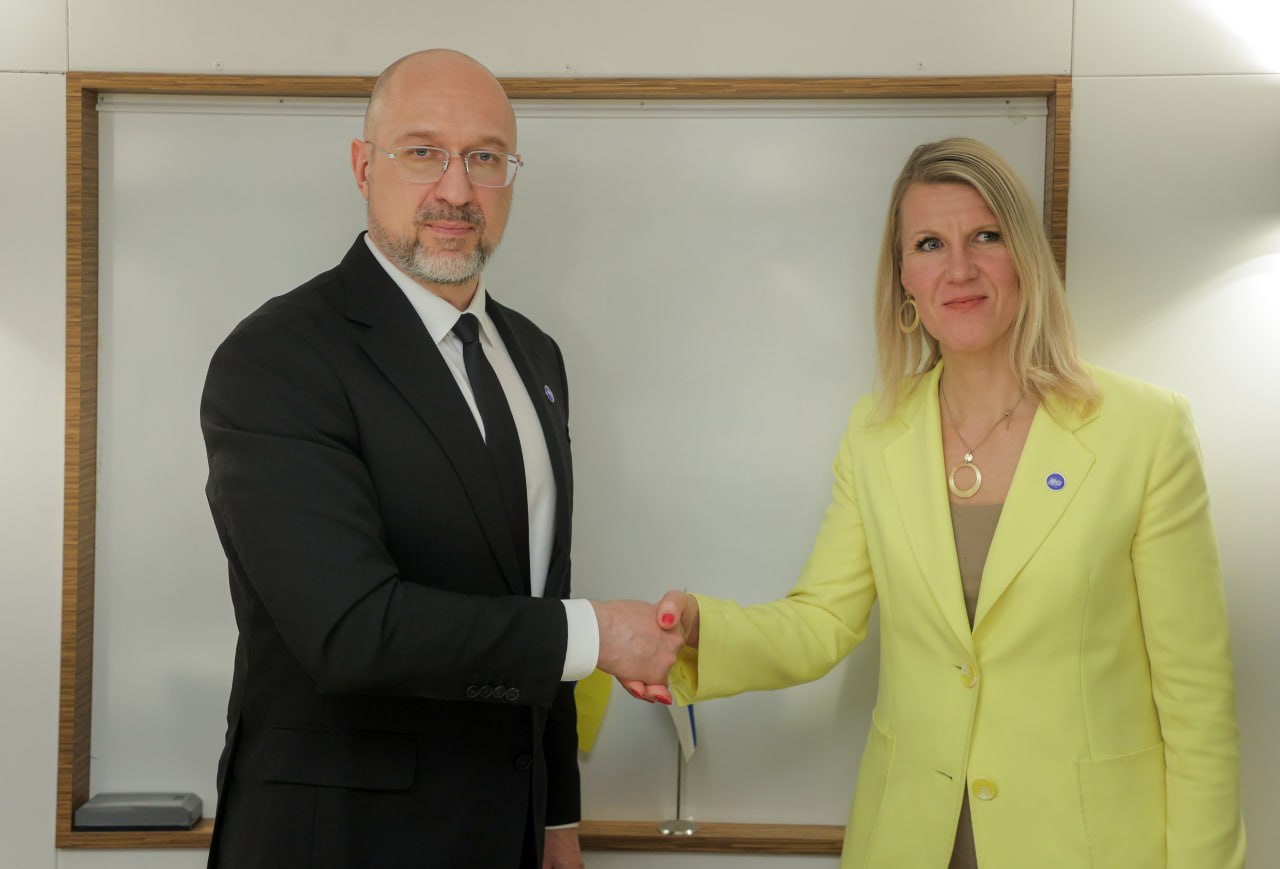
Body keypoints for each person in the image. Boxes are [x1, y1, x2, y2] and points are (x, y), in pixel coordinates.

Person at [643, 138, 1246, 868]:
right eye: (929, 244)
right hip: (909, 840)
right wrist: (700, 630)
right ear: (904, 278)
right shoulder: (875, 433)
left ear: (1025, 255)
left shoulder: (1144, 431)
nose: (959, 268)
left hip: (1087, 844)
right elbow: (822, 620)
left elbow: (1196, 700)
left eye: (985, 236)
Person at [200, 49, 680, 869]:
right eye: (423, 152)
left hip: (509, 834)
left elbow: (538, 588)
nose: (457, 190)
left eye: (485, 158)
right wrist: (597, 632)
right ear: (364, 166)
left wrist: (556, 811)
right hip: (339, 843)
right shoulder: (278, 357)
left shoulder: (535, 355)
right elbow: (351, 630)